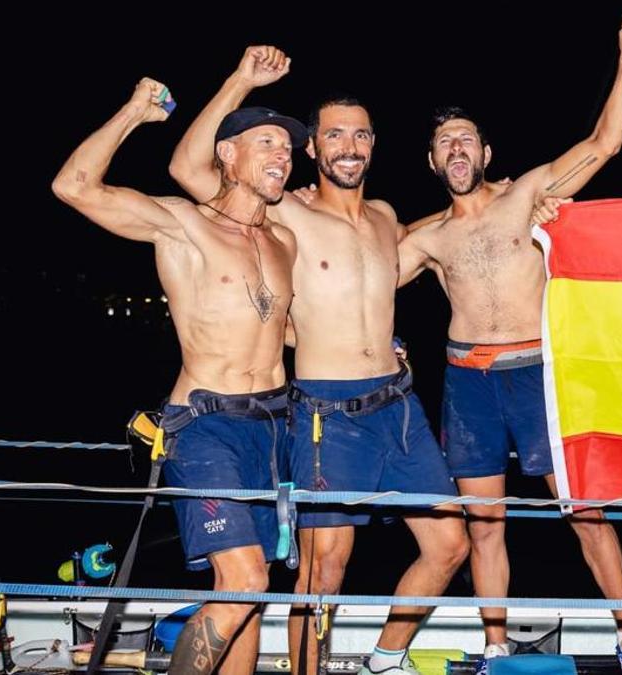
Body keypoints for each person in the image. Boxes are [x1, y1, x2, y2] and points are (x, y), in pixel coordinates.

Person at [169, 47, 470, 675]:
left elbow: (454, 236)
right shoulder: (284, 213)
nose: (349, 145)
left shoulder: (388, 219)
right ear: (314, 149)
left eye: (360, 134)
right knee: (324, 567)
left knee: (449, 544)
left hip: (400, 406)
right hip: (324, 413)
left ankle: (386, 658)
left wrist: (516, 207)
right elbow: (189, 167)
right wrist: (240, 81)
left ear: (374, 144)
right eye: (334, 134)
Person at [395, 14, 622, 675]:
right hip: (467, 384)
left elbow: (605, 143)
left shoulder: (528, 194)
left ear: (485, 153)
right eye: (444, 142)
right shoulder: (424, 237)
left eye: (466, 140)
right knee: (485, 523)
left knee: (585, 511)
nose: (456, 148)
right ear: (431, 161)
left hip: (539, 372)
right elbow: (354, 286)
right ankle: (494, 648)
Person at [53, 78, 303, 675]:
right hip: (205, 425)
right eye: (266, 142)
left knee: (254, 587)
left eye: (288, 148)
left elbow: (283, 328)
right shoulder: (184, 224)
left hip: (273, 426)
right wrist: (134, 114)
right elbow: (74, 186)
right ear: (227, 154)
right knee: (242, 577)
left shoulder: (284, 240)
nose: (282, 156)